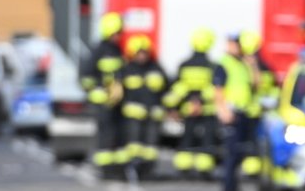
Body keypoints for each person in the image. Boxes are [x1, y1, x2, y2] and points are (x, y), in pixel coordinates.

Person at [164, 27, 219, 180]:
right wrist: (200, 101)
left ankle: (184, 166)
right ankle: (204, 168)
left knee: (187, 136)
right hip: (206, 109)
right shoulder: (211, 66)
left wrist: (172, 107)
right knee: (207, 138)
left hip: (188, 108)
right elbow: (214, 88)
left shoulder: (184, 64)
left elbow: (178, 88)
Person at [213, 33, 260, 191]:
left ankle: (234, 188)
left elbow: (255, 84)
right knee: (231, 153)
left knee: (240, 152)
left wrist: (253, 66)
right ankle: (228, 189)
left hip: (244, 113)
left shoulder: (244, 64)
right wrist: (223, 111)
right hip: (231, 113)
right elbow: (218, 90)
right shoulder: (224, 64)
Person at [80, 12, 126, 178]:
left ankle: (117, 167)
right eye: (117, 32)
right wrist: (101, 91)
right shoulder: (99, 50)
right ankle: (105, 168)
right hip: (103, 102)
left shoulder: (117, 50)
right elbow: (86, 77)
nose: (119, 36)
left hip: (116, 102)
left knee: (117, 134)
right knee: (105, 134)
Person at [116, 35, 167, 179]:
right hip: (133, 117)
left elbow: (166, 89)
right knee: (133, 146)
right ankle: (132, 169)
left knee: (150, 147)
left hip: (153, 115)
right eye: (139, 53)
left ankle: (148, 171)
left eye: (145, 52)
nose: (142, 56)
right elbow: (119, 93)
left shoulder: (156, 68)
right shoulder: (127, 69)